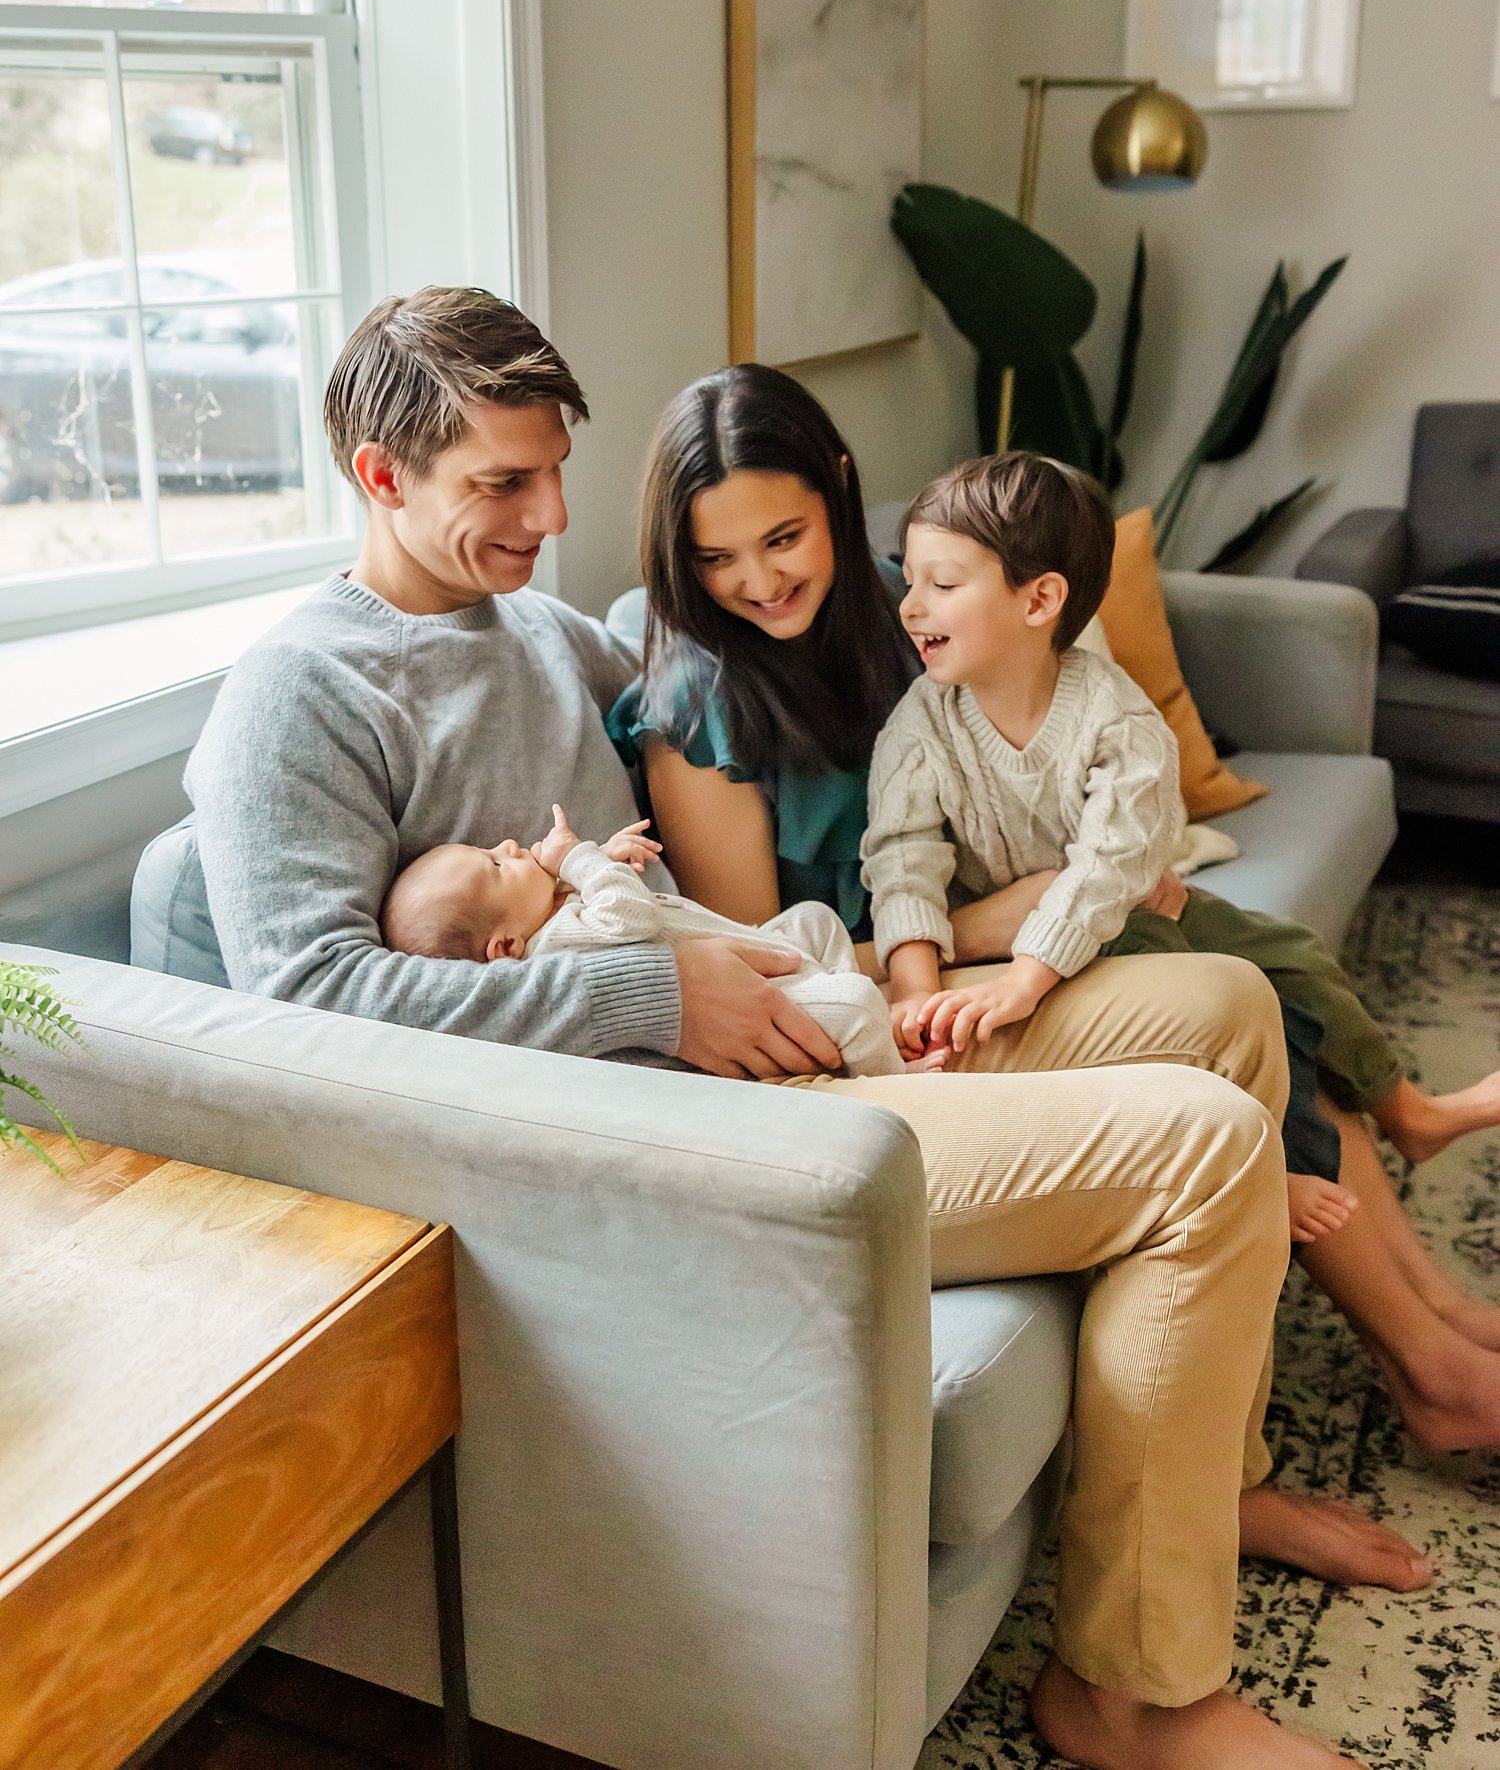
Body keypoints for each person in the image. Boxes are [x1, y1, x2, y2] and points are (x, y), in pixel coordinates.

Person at [166, 298, 1370, 1770]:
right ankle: (1130, 1694)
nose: (550, 517)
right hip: (680, 1134)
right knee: (1203, 1146)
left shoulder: (546, 636)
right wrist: (654, 995)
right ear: (379, 475)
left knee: (1230, 1010)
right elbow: (303, 1010)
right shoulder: (295, 696)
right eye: (502, 484)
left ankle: (1207, 1484)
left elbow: (728, 777)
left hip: (796, 1032)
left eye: (553, 473)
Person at [625, 366, 1500, 1462]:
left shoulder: (909, 604)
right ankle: (1424, 1366)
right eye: (714, 557)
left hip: (1000, 939)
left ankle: (1433, 1322)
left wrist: (1107, 864)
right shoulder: (696, 707)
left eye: (784, 537)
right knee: (1230, 1017)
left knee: (1263, 984)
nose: (755, 580)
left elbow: (1045, 735)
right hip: (883, 1007)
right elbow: (763, 966)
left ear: (840, 495)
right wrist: (986, 931)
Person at [861, 451, 1358, 1246]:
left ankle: (1408, 1106)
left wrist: (1029, 978)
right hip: (1035, 931)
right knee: (1230, 992)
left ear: (1042, 599)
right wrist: (913, 989)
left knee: (1290, 960)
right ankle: (1275, 1164)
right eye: (909, 579)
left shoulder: (1114, 717)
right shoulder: (921, 725)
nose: (911, 607)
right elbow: (901, 859)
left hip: (1104, 905)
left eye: (941, 584)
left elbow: (1107, 868)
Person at [380, 802, 915, 1075]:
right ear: (506, 948)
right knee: (863, 1001)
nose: (510, 844)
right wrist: (581, 859)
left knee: (815, 920)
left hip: (743, 950)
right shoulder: (559, 942)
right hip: (760, 992)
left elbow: (609, 900)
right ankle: (889, 1079)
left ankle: (841, 1019)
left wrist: (600, 859)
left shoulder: (554, 910)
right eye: (496, 865)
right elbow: (630, 918)